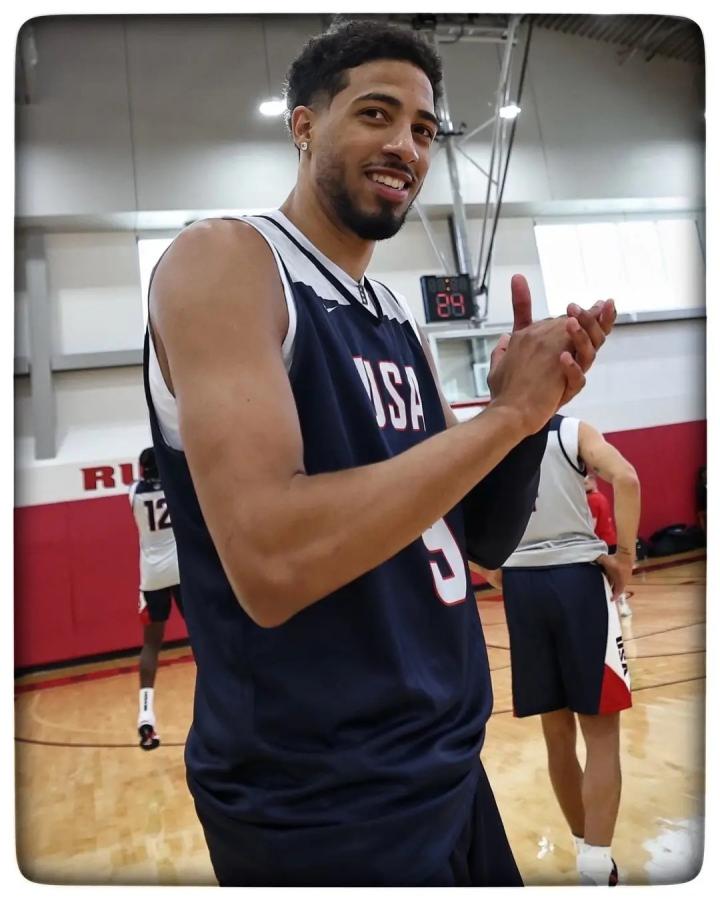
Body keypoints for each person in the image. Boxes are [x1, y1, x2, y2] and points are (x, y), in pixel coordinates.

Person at [143, 19, 616, 886]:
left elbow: (479, 541)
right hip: (319, 800)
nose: (406, 145)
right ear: (304, 125)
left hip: (446, 764)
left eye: (424, 129)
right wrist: (507, 419)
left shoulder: (396, 318)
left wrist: (520, 416)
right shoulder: (227, 261)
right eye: (375, 113)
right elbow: (273, 559)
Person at [478, 415, 640, 885]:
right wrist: (625, 557)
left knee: (557, 736)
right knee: (602, 733)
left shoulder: (489, 432)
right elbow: (627, 477)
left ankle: (582, 848)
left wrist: (487, 567)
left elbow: (448, 506)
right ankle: (597, 864)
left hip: (522, 587)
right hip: (577, 579)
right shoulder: (573, 432)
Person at [129, 446, 183, 751]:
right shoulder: (176, 487)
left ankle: (145, 717)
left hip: (152, 577)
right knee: (204, 636)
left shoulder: (133, 493)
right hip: (182, 571)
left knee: (151, 644)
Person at [585, 469, 632, 616]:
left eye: (585, 482)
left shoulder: (592, 500)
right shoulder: (602, 497)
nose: (583, 485)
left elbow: (592, 524)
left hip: (602, 543)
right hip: (611, 540)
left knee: (603, 578)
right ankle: (622, 604)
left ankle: (610, 607)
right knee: (614, 576)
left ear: (593, 481)